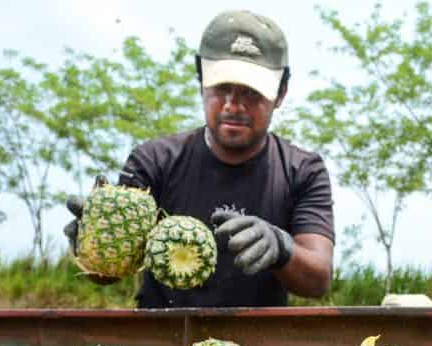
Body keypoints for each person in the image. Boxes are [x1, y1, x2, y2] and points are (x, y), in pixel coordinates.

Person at [65, 10, 335, 307]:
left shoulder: (303, 170)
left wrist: (282, 247)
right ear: (201, 81)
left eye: (251, 91)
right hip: (163, 337)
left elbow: (318, 279)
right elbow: (111, 272)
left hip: (260, 341)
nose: (234, 104)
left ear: (281, 93)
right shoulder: (153, 161)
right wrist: (93, 246)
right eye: (222, 87)